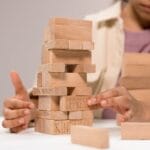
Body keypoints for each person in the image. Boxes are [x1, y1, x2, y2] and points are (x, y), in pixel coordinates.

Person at [2, 0, 150, 132]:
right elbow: (51, 91)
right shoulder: (90, 27)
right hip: (93, 134)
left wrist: (144, 111)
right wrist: (29, 109)